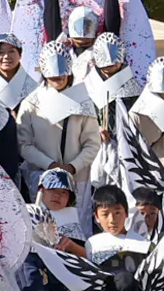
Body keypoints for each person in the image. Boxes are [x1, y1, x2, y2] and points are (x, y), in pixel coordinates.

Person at [75, 182, 163, 291]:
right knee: (123, 279)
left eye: (117, 213)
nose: (112, 220)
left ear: (126, 213)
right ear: (96, 217)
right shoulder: (93, 243)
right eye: (105, 214)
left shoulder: (142, 243)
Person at [15, 42, 101, 202]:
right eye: (53, 77)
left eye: (61, 76)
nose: (58, 80)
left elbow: (92, 143)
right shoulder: (31, 103)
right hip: (42, 177)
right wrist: (49, 165)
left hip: (77, 178)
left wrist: (73, 166)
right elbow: (23, 144)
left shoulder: (83, 100)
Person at [0, 33, 37, 112]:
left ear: (20, 54)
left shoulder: (33, 86)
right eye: (1, 52)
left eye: (11, 51)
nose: (6, 56)